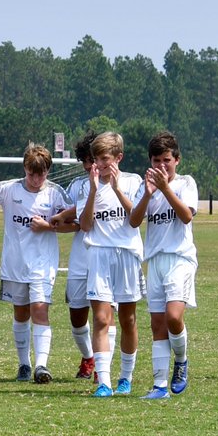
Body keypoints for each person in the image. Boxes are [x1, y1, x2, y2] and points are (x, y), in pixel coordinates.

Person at [128, 132, 198, 398]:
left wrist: (166, 188)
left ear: (177, 160)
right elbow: (134, 221)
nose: (161, 166)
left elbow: (185, 216)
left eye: (166, 160)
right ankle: (159, 386)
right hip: (154, 259)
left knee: (173, 317)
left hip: (180, 258)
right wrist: (147, 195)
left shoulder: (185, 184)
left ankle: (181, 360)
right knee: (157, 324)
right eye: (156, 160)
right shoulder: (146, 186)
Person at [0, 144, 71, 384]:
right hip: (15, 264)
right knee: (20, 313)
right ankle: (24, 364)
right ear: (24, 169)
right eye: (31, 173)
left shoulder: (55, 193)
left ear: (48, 171)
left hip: (43, 264)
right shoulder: (9, 189)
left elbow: (77, 223)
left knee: (40, 309)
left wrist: (49, 226)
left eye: (42, 173)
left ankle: (41, 365)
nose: (36, 179)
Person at [78, 132, 144, 397]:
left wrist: (116, 188)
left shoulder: (133, 181)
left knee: (128, 319)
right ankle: (104, 381)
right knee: (102, 318)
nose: (101, 165)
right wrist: (94, 189)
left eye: (105, 159)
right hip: (99, 255)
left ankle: (125, 378)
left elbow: (136, 219)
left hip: (126, 254)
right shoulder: (87, 186)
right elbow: (84, 225)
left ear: (119, 157)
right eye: (96, 160)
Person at [53, 132, 115, 380]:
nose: (91, 166)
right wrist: (61, 220)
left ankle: (103, 368)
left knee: (105, 314)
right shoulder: (78, 185)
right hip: (81, 255)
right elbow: (73, 220)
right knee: (77, 316)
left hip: (108, 254)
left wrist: (69, 216)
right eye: (86, 161)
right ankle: (89, 355)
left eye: (94, 160)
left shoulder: (114, 181)